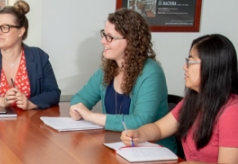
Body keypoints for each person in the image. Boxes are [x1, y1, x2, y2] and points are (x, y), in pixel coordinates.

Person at [121, 34, 238, 164]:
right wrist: (138, 134)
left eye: (191, 61)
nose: (184, 67)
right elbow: (159, 129)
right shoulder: (194, 100)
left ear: (212, 67)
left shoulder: (235, 113)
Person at [69, 8, 175, 151]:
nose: (102, 41)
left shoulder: (151, 73)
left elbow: (140, 121)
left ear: (130, 41)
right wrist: (76, 110)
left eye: (109, 37)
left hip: (152, 152)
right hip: (117, 146)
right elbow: (79, 99)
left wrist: (90, 116)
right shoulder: (108, 69)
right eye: (103, 35)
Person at [0, 0, 60, 111]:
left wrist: (30, 104)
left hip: (30, 123)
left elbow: (53, 93)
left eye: (5, 27)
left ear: (21, 31)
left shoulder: (38, 57)